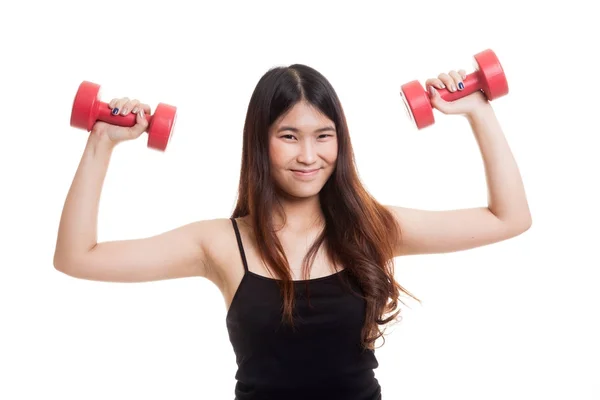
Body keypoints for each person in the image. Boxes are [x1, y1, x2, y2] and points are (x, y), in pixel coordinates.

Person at [53, 63, 532, 400]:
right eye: (288, 136)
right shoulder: (220, 243)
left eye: (323, 135)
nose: (309, 155)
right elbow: (77, 257)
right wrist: (103, 140)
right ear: (259, 143)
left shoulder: (373, 228)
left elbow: (508, 218)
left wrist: (477, 110)